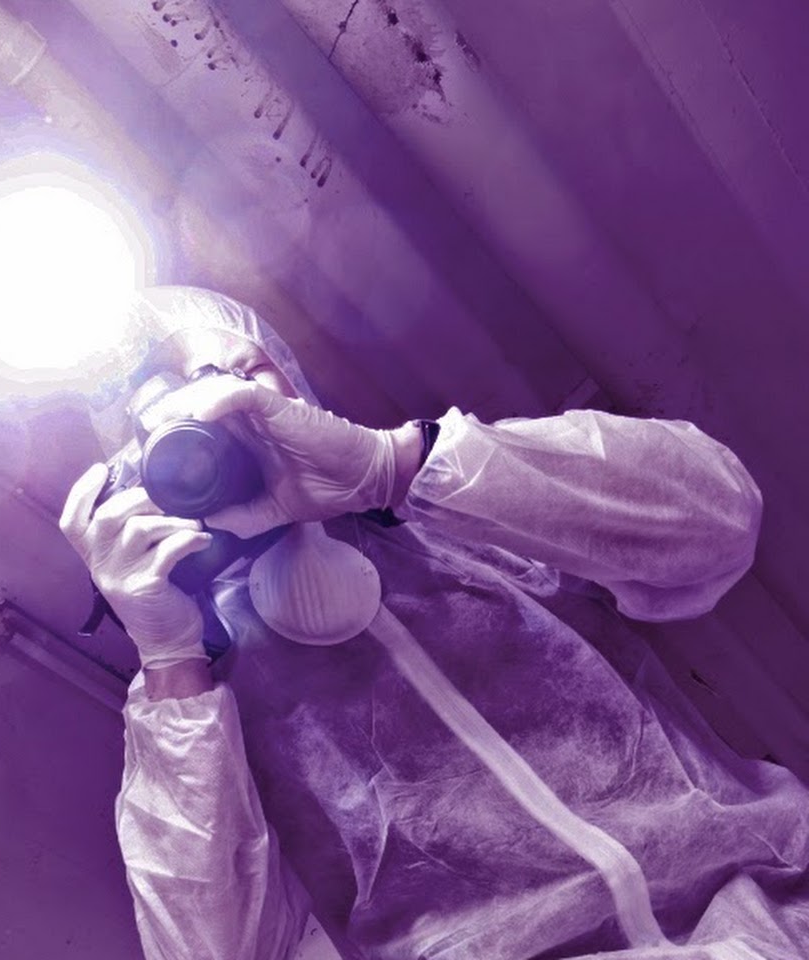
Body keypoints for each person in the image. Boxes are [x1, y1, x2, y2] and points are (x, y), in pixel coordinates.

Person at [60, 286, 809, 960]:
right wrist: (171, 658)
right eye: (163, 432)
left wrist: (398, 466)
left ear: (286, 377)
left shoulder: (467, 506)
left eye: (225, 379)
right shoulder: (206, 709)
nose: (212, 426)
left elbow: (720, 521)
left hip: (772, 915)